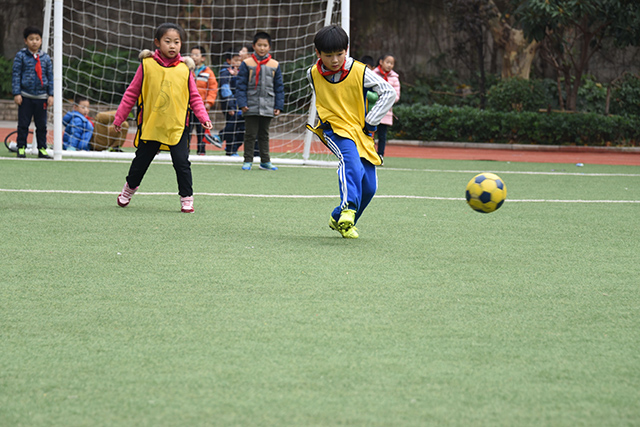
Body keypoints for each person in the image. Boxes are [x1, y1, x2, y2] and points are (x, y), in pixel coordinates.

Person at [112, 23, 212, 213]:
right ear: (157, 42)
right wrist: (120, 118)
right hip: (153, 125)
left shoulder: (185, 69)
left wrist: (203, 117)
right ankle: (129, 189)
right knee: (141, 161)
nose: (172, 46)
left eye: (177, 42)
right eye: (168, 41)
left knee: (182, 162)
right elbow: (131, 94)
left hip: (178, 125)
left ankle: (186, 197)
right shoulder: (147, 65)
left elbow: (195, 97)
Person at [306, 25, 394, 239]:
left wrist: (371, 121)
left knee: (370, 187)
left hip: (360, 130)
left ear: (346, 49)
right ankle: (348, 208)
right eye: (328, 55)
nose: (335, 60)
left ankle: (340, 219)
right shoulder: (312, 74)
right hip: (334, 128)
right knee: (350, 162)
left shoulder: (360, 71)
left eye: (339, 54)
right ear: (318, 53)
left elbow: (388, 93)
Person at [236, 31, 285, 171]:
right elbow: (240, 85)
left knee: (264, 134)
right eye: (259, 45)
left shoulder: (275, 65)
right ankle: (248, 160)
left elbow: (279, 87)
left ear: (269, 47)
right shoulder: (247, 63)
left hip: (268, 105)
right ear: (254, 46)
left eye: (265, 45)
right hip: (250, 105)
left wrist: (278, 105)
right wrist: (242, 103)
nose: (262, 48)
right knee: (250, 134)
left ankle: (265, 161)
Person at [11, 26, 54, 159]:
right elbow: (16, 75)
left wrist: (51, 94)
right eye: (31, 39)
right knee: (23, 124)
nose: (34, 42)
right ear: (25, 41)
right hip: (25, 96)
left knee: (41, 125)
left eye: (37, 39)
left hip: (41, 97)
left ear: (41, 41)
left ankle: (42, 149)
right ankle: (21, 148)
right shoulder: (21, 56)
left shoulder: (46, 58)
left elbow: (50, 76)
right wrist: (17, 93)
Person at [189, 45, 220, 155]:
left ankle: (201, 151)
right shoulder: (186, 70)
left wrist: (209, 102)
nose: (194, 57)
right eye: (192, 54)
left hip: (201, 107)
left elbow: (213, 88)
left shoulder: (208, 72)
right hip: (187, 106)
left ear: (203, 58)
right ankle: (185, 151)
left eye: (197, 54)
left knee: (201, 129)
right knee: (187, 129)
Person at [372, 54, 401, 157]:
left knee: (382, 135)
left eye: (391, 63)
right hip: (373, 109)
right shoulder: (373, 74)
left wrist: (386, 98)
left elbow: (396, 96)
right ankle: (369, 154)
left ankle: (380, 155)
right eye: (387, 62)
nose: (389, 65)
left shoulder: (394, 78)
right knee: (370, 133)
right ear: (381, 62)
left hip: (386, 111)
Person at [218, 48, 244, 156]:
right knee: (232, 127)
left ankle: (230, 148)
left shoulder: (236, 73)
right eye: (236, 60)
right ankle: (230, 149)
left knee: (239, 127)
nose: (238, 63)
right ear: (229, 61)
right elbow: (225, 91)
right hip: (230, 105)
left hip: (237, 105)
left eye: (239, 61)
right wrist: (230, 106)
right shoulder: (225, 72)